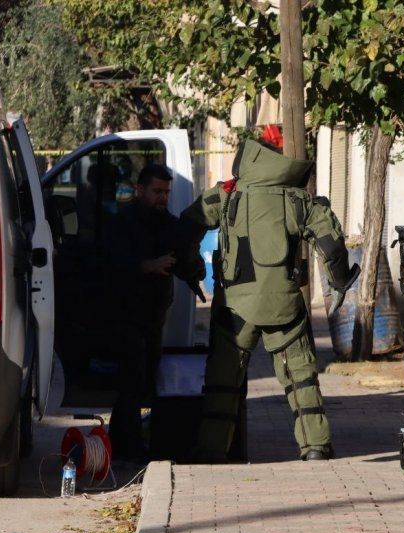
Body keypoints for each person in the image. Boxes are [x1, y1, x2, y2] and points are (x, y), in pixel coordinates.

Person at [181, 131, 359, 463]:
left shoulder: (226, 193)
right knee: (300, 376)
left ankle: (211, 452)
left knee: (223, 380)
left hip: (234, 306)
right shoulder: (297, 199)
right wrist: (340, 283)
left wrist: (190, 271)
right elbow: (331, 245)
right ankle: (315, 446)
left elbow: (187, 225)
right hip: (285, 305)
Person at [104, 163, 203, 464]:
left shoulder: (169, 225)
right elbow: (115, 261)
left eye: (166, 193)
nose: (162, 198)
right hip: (125, 313)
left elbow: (185, 261)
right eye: (157, 191)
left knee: (145, 380)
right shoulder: (123, 223)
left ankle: (118, 441)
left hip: (154, 315)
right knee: (133, 379)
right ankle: (131, 447)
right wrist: (148, 265)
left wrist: (194, 269)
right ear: (140, 190)